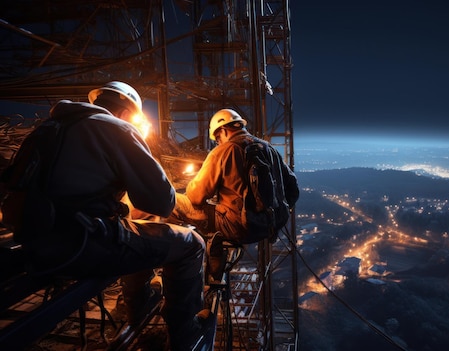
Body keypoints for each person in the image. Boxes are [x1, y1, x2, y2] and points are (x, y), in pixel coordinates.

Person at [4, 81, 207, 350]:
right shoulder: (116, 128)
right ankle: (185, 337)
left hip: (32, 243)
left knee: (137, 230)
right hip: (80, 246)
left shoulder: (46, 129)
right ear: (127, 113)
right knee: (192, 245)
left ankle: (140, 302)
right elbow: (163, 202)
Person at [173, 108, 299, 281]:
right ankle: (214, 256)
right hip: (269, 227)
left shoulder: (223, 151)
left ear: (223, 131)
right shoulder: (269, 149)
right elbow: (293, 188)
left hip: (237, 227)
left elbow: (195, 196)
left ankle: (172, 261)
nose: (217, 143)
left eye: (217, 138)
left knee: (172, 201)